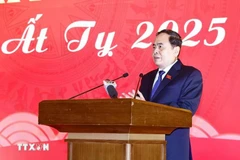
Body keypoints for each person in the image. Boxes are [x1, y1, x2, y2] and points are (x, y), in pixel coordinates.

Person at [122, 29, 203, 160]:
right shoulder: (147, 78)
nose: (155, 51)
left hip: (173, 148)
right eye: (154, 47)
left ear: (176, 51)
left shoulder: (190, 75)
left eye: (160, 46)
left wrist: (147, 107)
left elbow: (185, 111)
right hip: (144, 148)